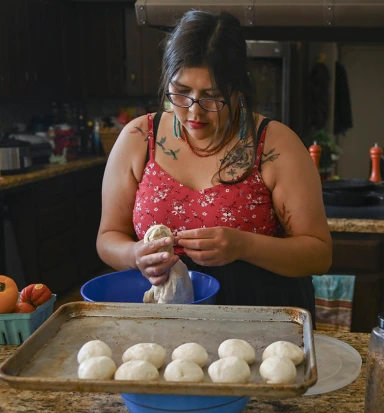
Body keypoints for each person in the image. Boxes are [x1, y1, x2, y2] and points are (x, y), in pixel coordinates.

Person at [96, 10, 332, 322]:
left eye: (212, 97)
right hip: (162, 322)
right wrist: (134, 255)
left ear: (238, 92)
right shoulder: (139, 138)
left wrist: (244, 245)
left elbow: (318, 255)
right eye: (181, 93)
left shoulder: (276, 145)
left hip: (261, 320)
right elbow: (108, 236)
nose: (195, 112)